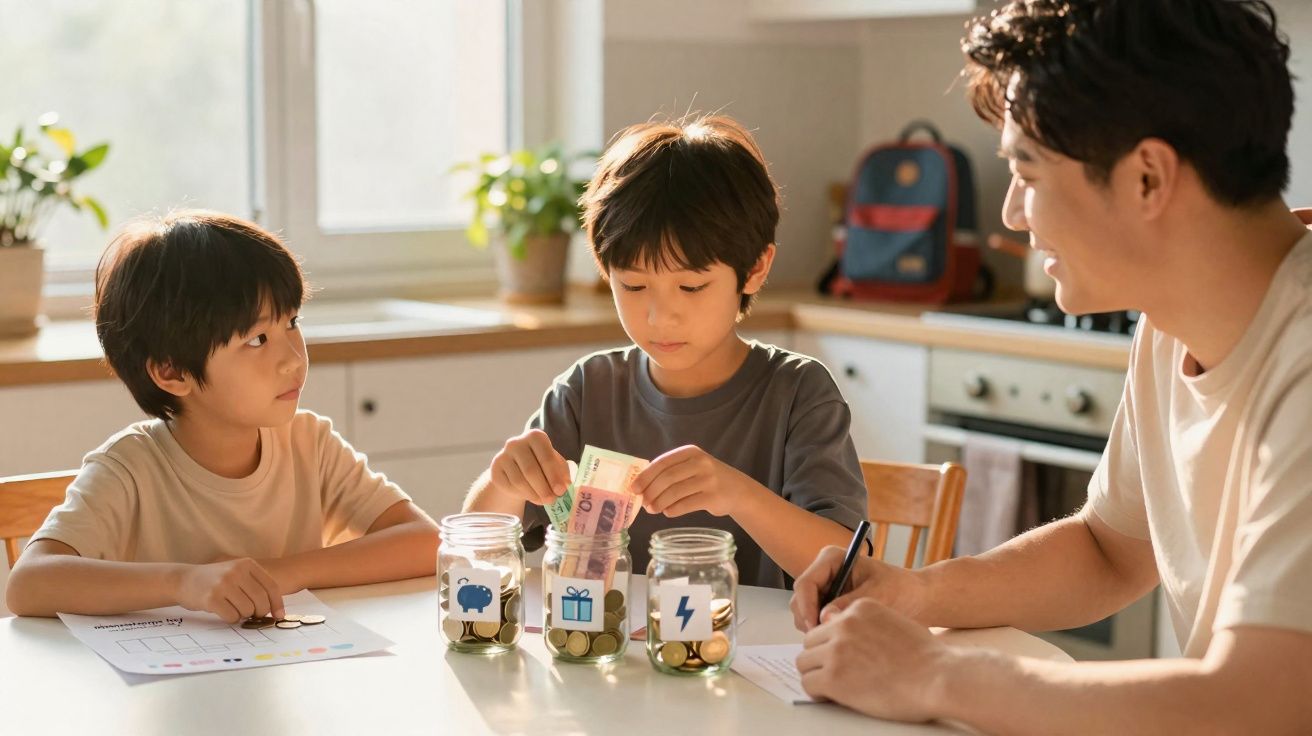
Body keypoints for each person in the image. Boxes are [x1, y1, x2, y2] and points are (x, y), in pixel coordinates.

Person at [790, 1, 1312, 731]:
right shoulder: (1171, 319)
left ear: (1147, 179)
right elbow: (1107, 549)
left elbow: (1263, 702)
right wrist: (915, 593)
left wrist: (937, 674)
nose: (1010, 213)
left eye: (1026, 172)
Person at [463, 116, 868, 587]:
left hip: (749, 655)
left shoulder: (799, 392)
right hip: (610, 651)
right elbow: (477, 552)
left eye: (691, 286)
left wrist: (738, 494)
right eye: (633, 285)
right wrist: (504, 483)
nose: (660, 316)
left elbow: (848, 571)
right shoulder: (587, 390)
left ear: (755, 269)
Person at [6, 211, 439, 621]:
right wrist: (184, 582)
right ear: (172, 371)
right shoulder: (129, 469)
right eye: (257, 340)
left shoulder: (309, 442)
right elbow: (28, 584)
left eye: (292, 322)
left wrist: (281, 573)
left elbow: (426, 542)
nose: (293, 358)